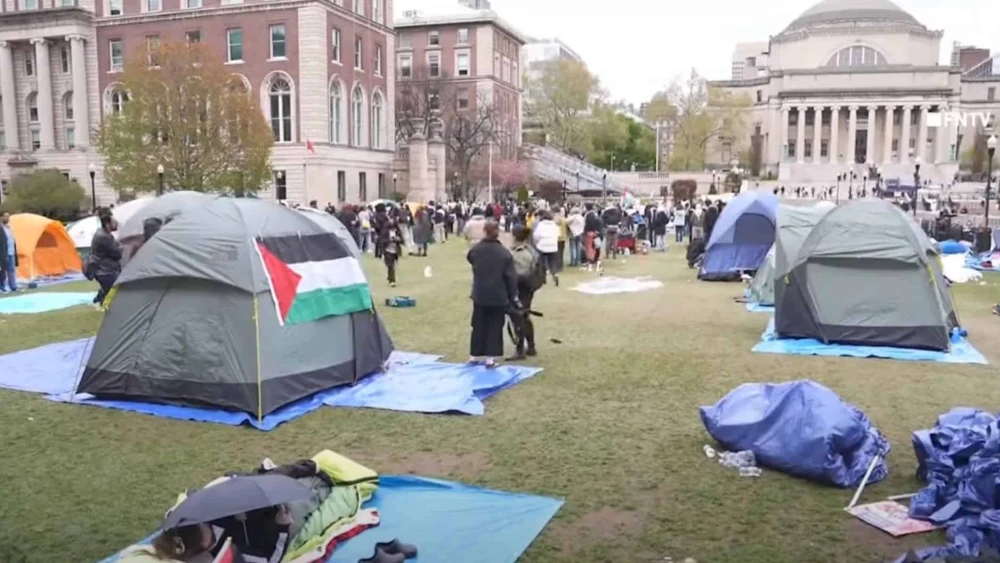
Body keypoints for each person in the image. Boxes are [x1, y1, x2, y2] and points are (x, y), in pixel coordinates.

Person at [466, 219, 518, 368]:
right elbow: (510, 278)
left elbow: (470, 258)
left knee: (478, 324)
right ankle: (490, 359)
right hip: (498, 294)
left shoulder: (476, 250)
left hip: (480, 293)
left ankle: (474, 356)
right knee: (494, 326)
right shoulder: (504, 253)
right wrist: (512, 296)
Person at [507, 225, 544, 360]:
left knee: (518, 318)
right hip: (527, 288)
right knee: (525, 316)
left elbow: (520, 274)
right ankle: (531, 346)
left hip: (521, 288)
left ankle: (520, 349)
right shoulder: (530, 249)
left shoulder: (521, 253)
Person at [89, 209, 122, 309]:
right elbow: (117, 253)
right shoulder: (104, 236)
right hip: (105, 271)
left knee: (108, 288)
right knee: (115, 291)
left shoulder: (103, 234)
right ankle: (102, 303)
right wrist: (121, 247)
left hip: (103, 269)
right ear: (108, 223)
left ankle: (99, 299)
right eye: (113, 221)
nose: (116, 223)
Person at [532, 211, 561, 286]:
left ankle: (543, 278)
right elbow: (558, 234)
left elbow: (536, 236)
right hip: (553, 246)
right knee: (552, 263)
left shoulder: (541, 225)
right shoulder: (555, 225)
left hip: (542, 246)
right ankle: (555, 274)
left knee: (542, 263)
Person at [378, 214, 403, 287]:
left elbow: (402, 240)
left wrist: (398, 239)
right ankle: (392, 280)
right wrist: (390, 240)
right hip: (387, 250)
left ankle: (390, 277)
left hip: (395, 251)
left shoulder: (398, 232)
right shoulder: (385, 232)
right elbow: (382, 241)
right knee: (390, 265)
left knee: (393, 266)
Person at [583, 204, 603, 274]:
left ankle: (591, 260)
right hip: (595, 232)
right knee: (595, 246)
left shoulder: (589, 215)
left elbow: (589, 224)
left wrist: (586, 231)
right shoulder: (595, 214)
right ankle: (595, 258)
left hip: (589, 232)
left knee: (589, 247)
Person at [0, 212, 18, 293]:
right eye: (5, 216)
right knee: (2, 271)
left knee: (11, 270)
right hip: (3, 253)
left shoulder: (9, 228)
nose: (7, 218)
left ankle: (13, 286)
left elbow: (12, 240)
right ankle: (2, 287)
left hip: (11, 252)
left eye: (8, 216)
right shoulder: (0, 228)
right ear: (1, 217)